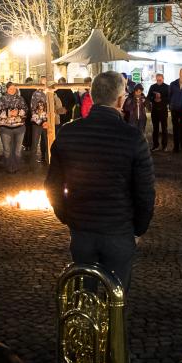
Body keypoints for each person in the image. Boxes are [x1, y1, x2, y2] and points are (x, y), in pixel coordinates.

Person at [45, 71, 155, 291]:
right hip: (119, 229)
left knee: (85, 295)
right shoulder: (133, 137)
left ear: (92, 97)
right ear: (120, 100)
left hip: (81, 229)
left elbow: (52, 185)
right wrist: (138, 227)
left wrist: (67, 216)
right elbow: (145, 191)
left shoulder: (67, 133)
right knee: (116, 298)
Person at [0, 82, 27, 173]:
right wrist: (9, 113)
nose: (12, 90)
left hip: (19, 127)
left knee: (17, 150)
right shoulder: (2, 99)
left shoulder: (20, 99)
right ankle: (9, 167)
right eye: (10, 88)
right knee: (7, 150)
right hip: (5, 128)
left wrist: (17, 113)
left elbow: (25, 109)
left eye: (14, 88)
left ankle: (16, 166)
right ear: (7, 89)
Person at [169, 68, 182, 153]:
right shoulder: (173, 84)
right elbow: (169, 95)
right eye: (181, 72)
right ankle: (176, 147)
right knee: (175, 128)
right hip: (174, 109)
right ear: (179, 73)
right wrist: (170, 105)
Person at [146, 73, 170, 151]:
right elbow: (148, 97)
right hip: (155, 111)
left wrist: (161, 99)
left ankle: (164, 146)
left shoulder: (167, 87)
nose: (159, 81)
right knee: (155, 129)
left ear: (163, 79)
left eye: (160, 80)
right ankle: (155, 145)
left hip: (163, 111)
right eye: (157, 80)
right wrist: (154, 99)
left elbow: (169, 99)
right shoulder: (152, 87)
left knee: (164, 129)